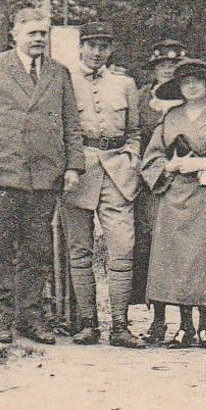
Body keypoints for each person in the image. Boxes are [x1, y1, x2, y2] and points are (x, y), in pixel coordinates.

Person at [0, 8, 84, 345]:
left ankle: (30, 318)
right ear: (14, 34)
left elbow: (71, 125)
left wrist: (73, 166)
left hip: (44, 176)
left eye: (44, 33)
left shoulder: (59, 73)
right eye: (32, 33)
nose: (39, 39)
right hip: (3, 174)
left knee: (37, 251)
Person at [140, 57, 206, 348]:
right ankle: (183, 325)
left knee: (203, 259)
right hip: (174, 195)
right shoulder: (170, 117)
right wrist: (171, 166)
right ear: (179, 88)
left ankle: (204, 326)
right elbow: (151, 158)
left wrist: (201, 163)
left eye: (197, 81)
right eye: (185, 83)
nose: (191, 87)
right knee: (177, 261)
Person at [59, 22, 145, 348]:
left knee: (122, 249)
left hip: (117, 172)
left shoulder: (124, 84)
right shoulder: (63, 80)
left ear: (111, 50)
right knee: (80, 251)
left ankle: (120, 326)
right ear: (80, 46)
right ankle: (87, 323)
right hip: (78, 171)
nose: (97, 53)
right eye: (91, 45)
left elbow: (134, 131)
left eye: (103, 46)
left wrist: (133, 155)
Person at [132, 38, 187, 344]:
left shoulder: (193, 99)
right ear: (154, 69)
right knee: (153, 249)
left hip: (187, 185)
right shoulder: (141, 99)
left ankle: (189, 321)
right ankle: (158, 318)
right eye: (162, 65)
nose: (168, 71)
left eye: (173, 65)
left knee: (186, 249)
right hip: (152, 185)